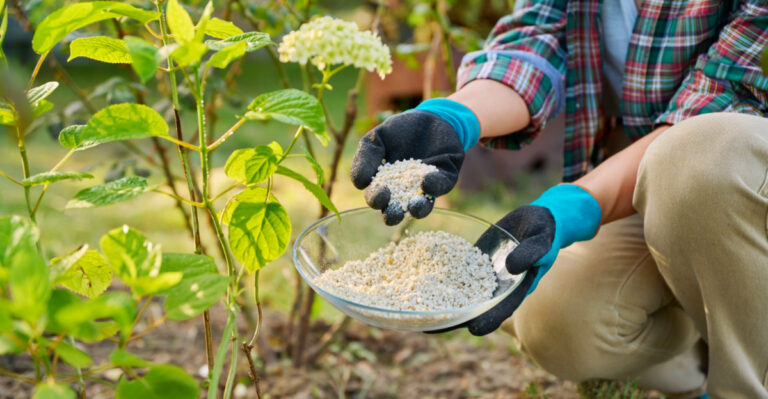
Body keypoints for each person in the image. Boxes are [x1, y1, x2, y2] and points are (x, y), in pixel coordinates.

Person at [350, 0, 768, 397]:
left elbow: (725, 100)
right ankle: (698, 360)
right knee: (554, 318)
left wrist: (572, 206)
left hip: (737, 172)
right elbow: (537, 39)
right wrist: (452, 118)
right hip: (651, 177)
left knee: (702, 154)